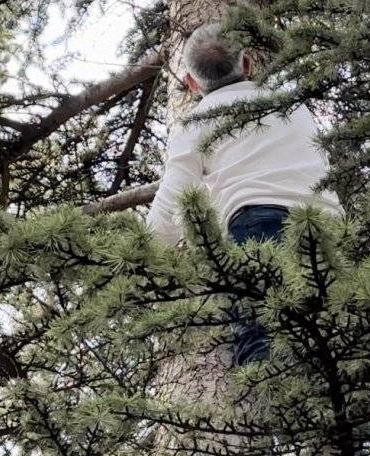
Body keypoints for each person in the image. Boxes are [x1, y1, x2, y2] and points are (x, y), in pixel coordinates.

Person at [145, 23, 341, 364]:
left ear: (192, 84)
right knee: (333, 345)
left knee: (264, 343)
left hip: (259, 225)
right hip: (329, 227)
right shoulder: (290, 103)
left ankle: (273, 414)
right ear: (247, 64)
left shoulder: (197, 121)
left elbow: (173, 200)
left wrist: (142, 257)